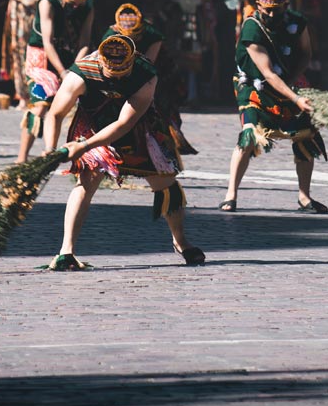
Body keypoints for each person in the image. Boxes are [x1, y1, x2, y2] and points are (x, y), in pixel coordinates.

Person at [42, 33, 206, 270]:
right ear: (100, 62)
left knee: (166, 183)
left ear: (131, 63)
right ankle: (66, 251)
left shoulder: (146, 74)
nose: (116, 79)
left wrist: (84, 147)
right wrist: (50, 149)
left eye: (122, 75)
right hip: (92, 124)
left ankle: (181, 242)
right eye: (111, 75)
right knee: (87, 181)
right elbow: (55, 114)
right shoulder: (80, 74)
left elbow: (124, 123)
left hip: (137, 127)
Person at [219, 0, 328, 214]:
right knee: (249, 135)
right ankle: (231, 195)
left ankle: (304, 197)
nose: (270, 14)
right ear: (258, 4)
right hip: (254, 85)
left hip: (286, 83)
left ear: (286, 5)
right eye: (266, 9)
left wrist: (293, 82)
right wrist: (296, 97)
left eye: (276, 9)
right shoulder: (251, 28)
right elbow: (267, 73)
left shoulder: (298, 23)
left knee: (306, 134)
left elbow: (306, 54)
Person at [20, 0, 98, 161]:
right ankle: (22, 157)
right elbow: (47, 42)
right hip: (42, 58)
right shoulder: (48, 2)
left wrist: (74, 68)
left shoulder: (87, 5)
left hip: (71, 57)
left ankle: (53, 150)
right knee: (41, 104)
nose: (78, 3)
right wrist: (63, 72)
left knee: (73, 101)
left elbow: (85, 42)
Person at [103, 2, 197, 155]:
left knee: (161, 109)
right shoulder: (111, 35)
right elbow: (105, 61)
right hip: (122, 71)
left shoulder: (152, 34)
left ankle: (165, 145)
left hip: (156, 73)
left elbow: (147, 63)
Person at [165, 0, 217, 104]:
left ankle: (194, 94)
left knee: (195, 63)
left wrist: (208, 31)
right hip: (178, 30)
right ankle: (177, 94)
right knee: (177, 62)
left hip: (196, 30)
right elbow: (167, 7)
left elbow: (207, 10)